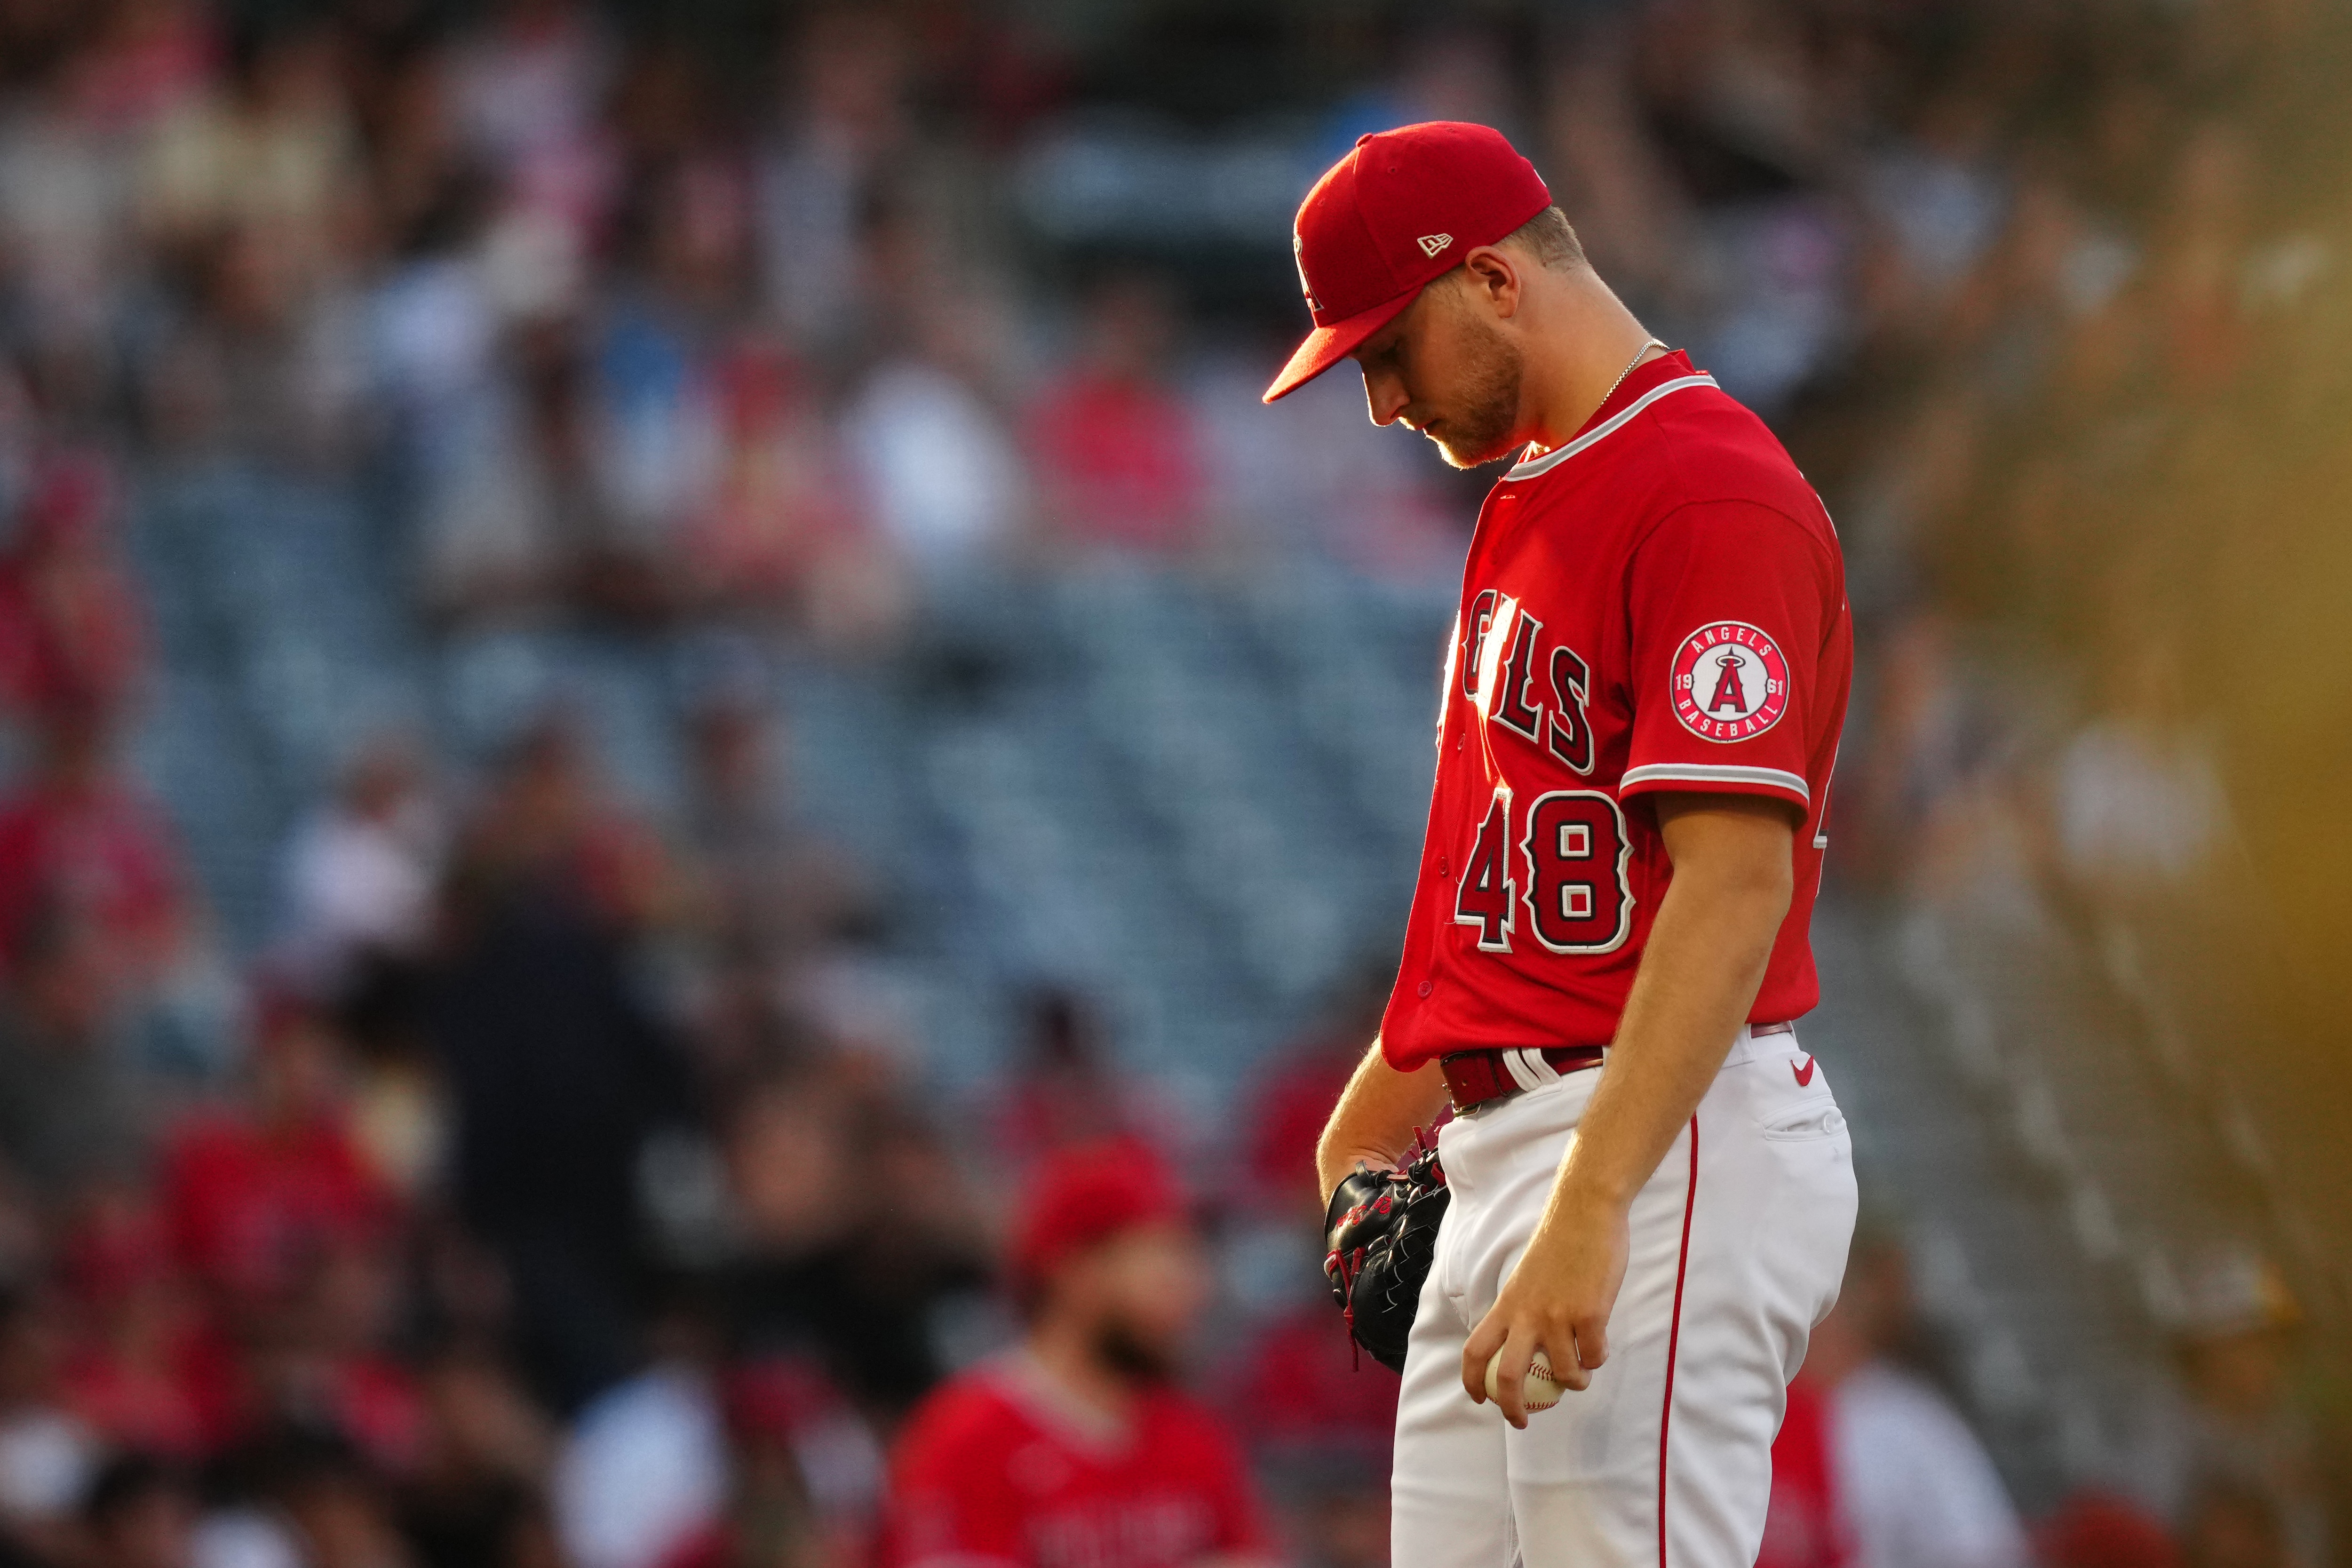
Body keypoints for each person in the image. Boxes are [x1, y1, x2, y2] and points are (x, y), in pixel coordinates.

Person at [1279, 122, 1857, 1565]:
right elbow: (1515, 887)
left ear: (1485, 280)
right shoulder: (1538, 495)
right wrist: (1378, 1109)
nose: (1379, 399)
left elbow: (1732, 885)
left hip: (1658, 1144)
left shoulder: (1705, 491)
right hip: (1513, 1143)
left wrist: (1595, 1203)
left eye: (1383, 349)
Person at [874, 1140, 1277, 1568]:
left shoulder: (1193, 1433)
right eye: (1160, 1259)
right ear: (1073, 1270)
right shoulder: (966, 1437)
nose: (1191, 1289)